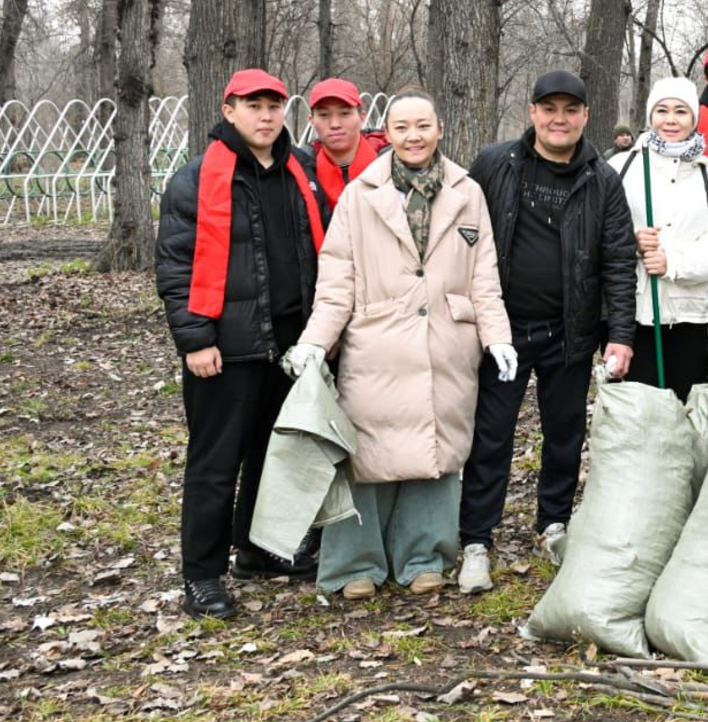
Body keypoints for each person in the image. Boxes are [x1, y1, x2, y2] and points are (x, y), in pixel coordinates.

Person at [283, 91, 515, 599]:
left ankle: (425, 555)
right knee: (365, 450)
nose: (414, 136)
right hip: (377, 342)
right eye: (403, 127)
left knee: (437, 448)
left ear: (440, 129)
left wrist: (497, 337)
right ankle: (355, 564)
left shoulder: (468, 192)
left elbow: (484, 276)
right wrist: (316, 341)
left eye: (423, 126)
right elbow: (337, 279)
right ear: (386, 133)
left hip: (446, 342)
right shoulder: (359, 194)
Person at [155, 68, 326, 618]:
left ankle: (258, 551)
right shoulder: (197, 179)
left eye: (274, 106)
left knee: (273, 457)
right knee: (215, 463)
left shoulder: (300, 170)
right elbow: (176, 266)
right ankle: (202, 575)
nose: (266, 116)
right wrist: (195, 339)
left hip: (288, 343)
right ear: (229, 110)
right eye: (254, 106)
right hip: (225, 348)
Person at [458, 69, 636, 591]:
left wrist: (620, 334)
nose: (560, 119)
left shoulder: (602, 179)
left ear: (585, 116)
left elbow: (618, 259)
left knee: (564, 434)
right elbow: (462, 232)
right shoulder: (496, 164)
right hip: (503, 330)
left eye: (570, 110)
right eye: (550, 109)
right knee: (491, 435)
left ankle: (553, 525)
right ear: (532, 112)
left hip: (570, 331)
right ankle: (476, 539)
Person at [612, 77, 708, 399]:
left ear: (693, 119)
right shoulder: (621, 168)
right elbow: (597, 233)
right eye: (662, 110)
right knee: (640, 412)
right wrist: (632, 242)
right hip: (633, 315)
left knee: (685, 410)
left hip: (690, 317)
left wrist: (672, 263)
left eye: (681, 111)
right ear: (650, 116)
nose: (670, 120)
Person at [306, 78, 389, 212]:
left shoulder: (391, 162)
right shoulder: (303, 171)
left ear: (362, 117)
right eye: (324, 115)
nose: (335, 124)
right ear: (311, 121)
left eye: (344, 114)